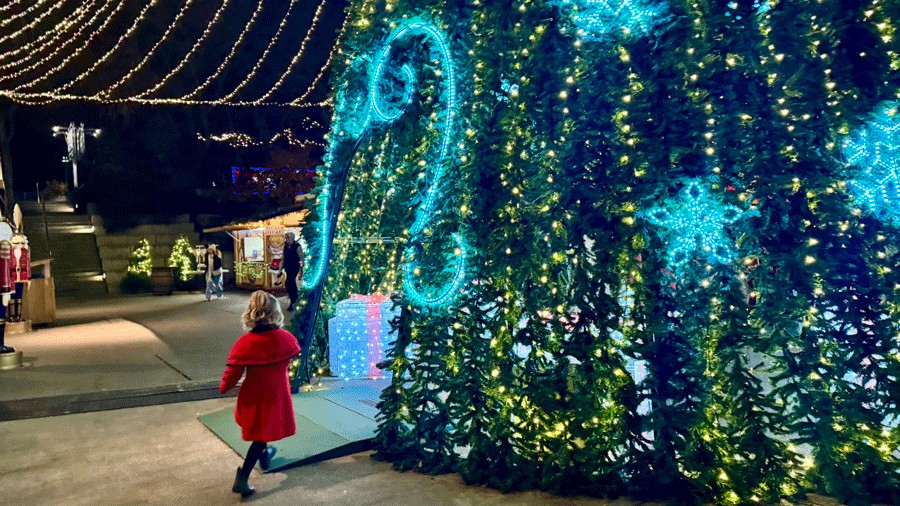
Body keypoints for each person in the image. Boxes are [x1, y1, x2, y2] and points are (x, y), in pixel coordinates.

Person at [220, 291, 302, 497]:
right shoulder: (285, 339)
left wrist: (225, 386)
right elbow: (292, 357)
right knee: (261, 434)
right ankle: (242, 477)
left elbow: (232, 373)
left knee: (261, 429)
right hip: (276, 395)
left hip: (254, 396)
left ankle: (265, 456)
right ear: (275, 313)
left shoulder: (245, 344)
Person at [280, 232, 304, 311]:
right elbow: (283, 259)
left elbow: (301, 258)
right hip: (288, 269)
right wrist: (280, 270)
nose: (286, 240)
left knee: (290, 283)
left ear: (292, 238)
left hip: (295, 269)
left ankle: (294, 300)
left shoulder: (297, 247)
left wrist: (301, 269)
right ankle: (294, 299)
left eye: (288, 238)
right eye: (286, 238)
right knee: (289, 284)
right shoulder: (285, 247)